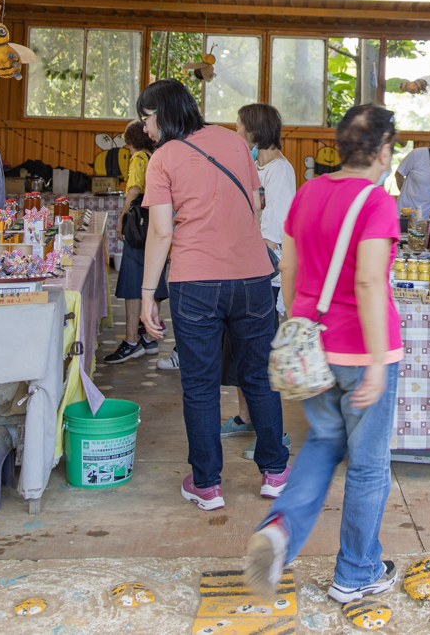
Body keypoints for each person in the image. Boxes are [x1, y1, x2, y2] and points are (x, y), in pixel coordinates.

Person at [246, 104, 403, 604]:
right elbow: (369, 280)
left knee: (320, 443)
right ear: (383, 151)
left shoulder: (309, 193)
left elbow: (287, 272)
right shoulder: (377, 202)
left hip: (315, 350)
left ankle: (279, 531)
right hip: (363, 351)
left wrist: (305, 326)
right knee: (368, 465)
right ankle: (356, 572)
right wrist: (377, 361)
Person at [137, 79, 289, 510]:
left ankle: (207, 484)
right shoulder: (232, 141)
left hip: (195, 283)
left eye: (145, 119)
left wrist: (149, 295)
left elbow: (162, 231)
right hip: (253, 278)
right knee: (259, 376)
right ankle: (275, 472)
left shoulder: (162, 159)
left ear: (161, 113)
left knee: (200, 385)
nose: (144, 128)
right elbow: (256, 206)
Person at [220, 104, 297, 456]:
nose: (236, 135)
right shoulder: (254, 166)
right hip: (244, 268)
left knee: (262, 358)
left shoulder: (279, 171)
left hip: (264, 273)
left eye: (239, 129)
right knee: (239, 352)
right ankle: (245, 417)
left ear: (254, 132)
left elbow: (273, 234)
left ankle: (274, 434)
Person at [101, 121, 166, 364]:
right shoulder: (157, 156)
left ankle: (131, 341)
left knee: (132, 282)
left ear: (132, 141)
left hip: (139, 223)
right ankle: (150, 338)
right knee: (153, 278)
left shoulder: (139, 158)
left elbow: (134, 190)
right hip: (156, 221)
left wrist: (121, 220)